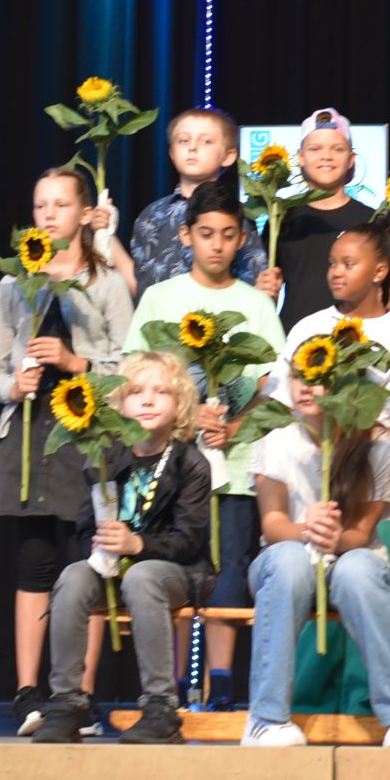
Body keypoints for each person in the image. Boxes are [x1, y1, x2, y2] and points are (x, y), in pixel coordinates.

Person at [0, 164, 136, 736]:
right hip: (28, 435)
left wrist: (76, 363)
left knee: (87, 565)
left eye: (60, 205)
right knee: (35, 562)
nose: (48, 215)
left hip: (89, 436)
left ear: (85, 213)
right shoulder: (14, 284)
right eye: (40, 205)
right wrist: (11, 387)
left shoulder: (106, 283)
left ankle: (79, 694)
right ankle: (28, 691)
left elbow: (128, 368)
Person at [127, 177, 285, 704]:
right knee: (169, 568)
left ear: (241, 239)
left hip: (234, 468)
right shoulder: (159, 298)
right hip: (169, 467)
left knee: (228, 574)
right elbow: (134, 375)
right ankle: (169, 689)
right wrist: (183, 417)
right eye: (206, 233)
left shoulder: (255, 304)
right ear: (185, 235)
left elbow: (272, 384)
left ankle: (220, 687)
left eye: (227, 235)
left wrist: (234, 427)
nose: (216, 245)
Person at [31, 351, 215, 745]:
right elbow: (86, 527)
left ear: (181, 404)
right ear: (120, 404)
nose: (148, 400)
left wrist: (137, 544)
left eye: (161, 392)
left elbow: (188, 541)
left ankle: (161, 707)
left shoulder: (191, 463)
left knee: (143, 576)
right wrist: (100, 547)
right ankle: (67, 702)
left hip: (177, 572)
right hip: (115, 570)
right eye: (136, 392)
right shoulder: (106, 459)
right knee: (73, 577)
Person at [242, 374, 390, 748]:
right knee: (291, 561)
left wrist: (334, 537)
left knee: (359, 569)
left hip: (349, 554)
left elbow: (361, 533)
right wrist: (308, 530)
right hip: (286, 557)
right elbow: (273, 526)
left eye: (319, 377)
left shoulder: (380, 443)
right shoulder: (274, 432)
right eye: (298, 376)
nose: (305, 387)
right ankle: (266, 719)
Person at [266, 225, 390, 453]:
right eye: (332, 264)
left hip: (373, 460)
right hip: (310, 456)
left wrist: (373, 446)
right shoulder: (309, 327)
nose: (336, 272)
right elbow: (279, 398)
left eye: (348, 264)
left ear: (379, 271)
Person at [124, 107, 275, 302]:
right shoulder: (152, 216)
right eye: (184, 141)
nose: (192, 147)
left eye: (206, 141)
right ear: (172, 153)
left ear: (228, 156)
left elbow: (252, 288)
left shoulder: (237, 217)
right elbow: (141, 285)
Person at [273, 107, 376, 326]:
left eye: (337, 149)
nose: (326, 156)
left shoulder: (371, 220)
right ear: (301, 157)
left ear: (351, 158)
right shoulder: (281, 219)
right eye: (315, 149)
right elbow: (267, 289)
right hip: (294, 336)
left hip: (354, 336)